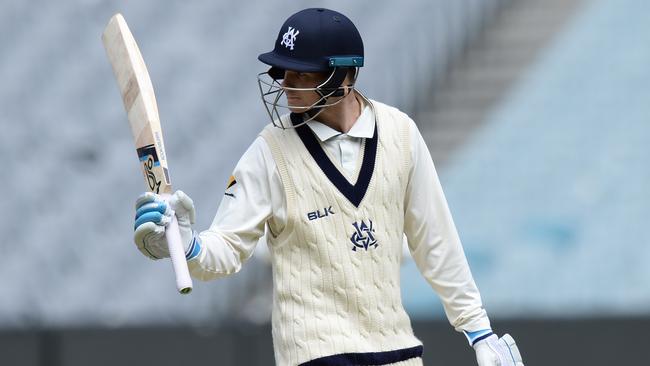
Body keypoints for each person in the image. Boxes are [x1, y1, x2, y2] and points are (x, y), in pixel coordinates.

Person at [133, 8, 525, 366]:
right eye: (282, 71)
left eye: (301, 73)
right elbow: (226, 251)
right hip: (314, 353)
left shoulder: (401, 134)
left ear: (345, 76)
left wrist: (479, 331)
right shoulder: (268, 152)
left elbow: (435, 240)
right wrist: (187, 245)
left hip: (395, 350)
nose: (285, 83)